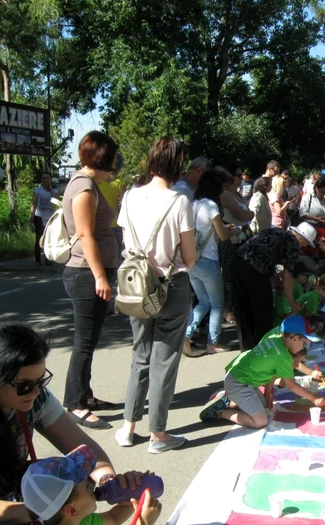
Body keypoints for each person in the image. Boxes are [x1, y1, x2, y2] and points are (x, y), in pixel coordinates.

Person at [0, 324, 136, 524]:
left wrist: (110, 482)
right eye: (25, 385)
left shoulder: (35, 396)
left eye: (41, 380)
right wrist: (46, 509)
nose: (36, 392)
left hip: (16, 501)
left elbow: (86, 450)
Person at [115, 137, 197, 453]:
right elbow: (188, 258)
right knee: (164, 358)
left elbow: (127, 243)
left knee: (140, 354)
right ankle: (158, 434)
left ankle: (128, 427)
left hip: (135, 283)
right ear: (178, 166)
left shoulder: (130, 197)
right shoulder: (180, 202)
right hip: (170, 284)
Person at [61, 131, 120, 429]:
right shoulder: (84, 188)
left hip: (91, 273)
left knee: (91, 339)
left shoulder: (90, 185)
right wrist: (100, 276)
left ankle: (85, 394)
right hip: (86, 274)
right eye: (112, 159)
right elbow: (85, 235)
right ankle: (74, 403)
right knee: (83, 342)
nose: (115, 165)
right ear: (102, 159)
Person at [199, 316, 325, 429]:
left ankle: (228, 401)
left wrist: (267, 395)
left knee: (265, 406)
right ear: (295, 338)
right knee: (261, 421)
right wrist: (314, 398)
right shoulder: (284, 357)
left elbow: (272, 373)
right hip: (238, 384)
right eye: (304, 344)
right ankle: (220, 411)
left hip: (241, 379)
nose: (303, 348)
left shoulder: (275, 338)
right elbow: (291, 385)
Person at [21, 445, 162, 525]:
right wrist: (144, 522)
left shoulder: (81, 521)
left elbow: (113, 519)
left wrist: (132, 496)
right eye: (87, 487)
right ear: (71, 510)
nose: (93, 485)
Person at [231, 223, 317, 349]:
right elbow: (287, 277)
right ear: (302, 238)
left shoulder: (277, 232)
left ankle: (247, 351)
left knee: (243, 312)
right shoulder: (292, 243)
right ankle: (265, 348)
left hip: (237, 263)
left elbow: (276, 263)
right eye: (306, 243)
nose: (304, 246)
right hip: (255, 270)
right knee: (262, 313)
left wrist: (276, 278)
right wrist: (292, 302)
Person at [184, 169, 241, 355]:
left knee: (203, 301)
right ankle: (213, 343)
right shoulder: (211, 206)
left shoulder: (193, 204)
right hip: (208, 259)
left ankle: (186, 335)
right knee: (217, 303)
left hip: (192, 259)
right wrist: (235, 231)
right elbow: (223, 236)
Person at [220, 169, 254, 324]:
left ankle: (236, 306)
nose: (241, 178)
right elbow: (243, 215)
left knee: (240, 274)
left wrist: (248, 214)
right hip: (230, 238)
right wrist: (248, 214)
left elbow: (247, 214)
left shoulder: (237, 194)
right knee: (228, 273)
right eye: (238, 175)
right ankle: (227, 310)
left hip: (241, 237)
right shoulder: (226, 194)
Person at [30, 171, 59, 266]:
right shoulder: (37, 190)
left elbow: (55, 202)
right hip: (39, 215)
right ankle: (38, 260)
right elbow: (34, 203)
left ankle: (47, 258)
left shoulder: (54, 191)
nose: (46, 179)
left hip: (50, 216)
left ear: (50, 179)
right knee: (39, 237)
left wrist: (50, 191)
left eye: (47, 178)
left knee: (49, 238)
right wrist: (32, 215)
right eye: (44, 178)